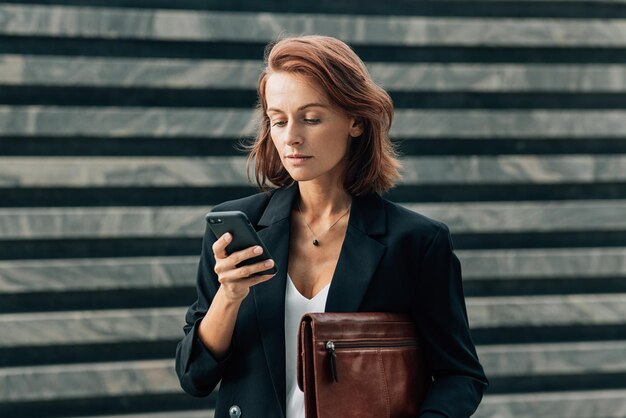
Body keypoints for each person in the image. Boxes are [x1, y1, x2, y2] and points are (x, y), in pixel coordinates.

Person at [175, 35, 488, 418]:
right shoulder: (238, 232)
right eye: (278, 120)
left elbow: (460, 375)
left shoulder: (416, 241)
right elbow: (194, 377)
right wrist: (229, 294)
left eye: (311, 118)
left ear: (355, 120)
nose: (291, 137)